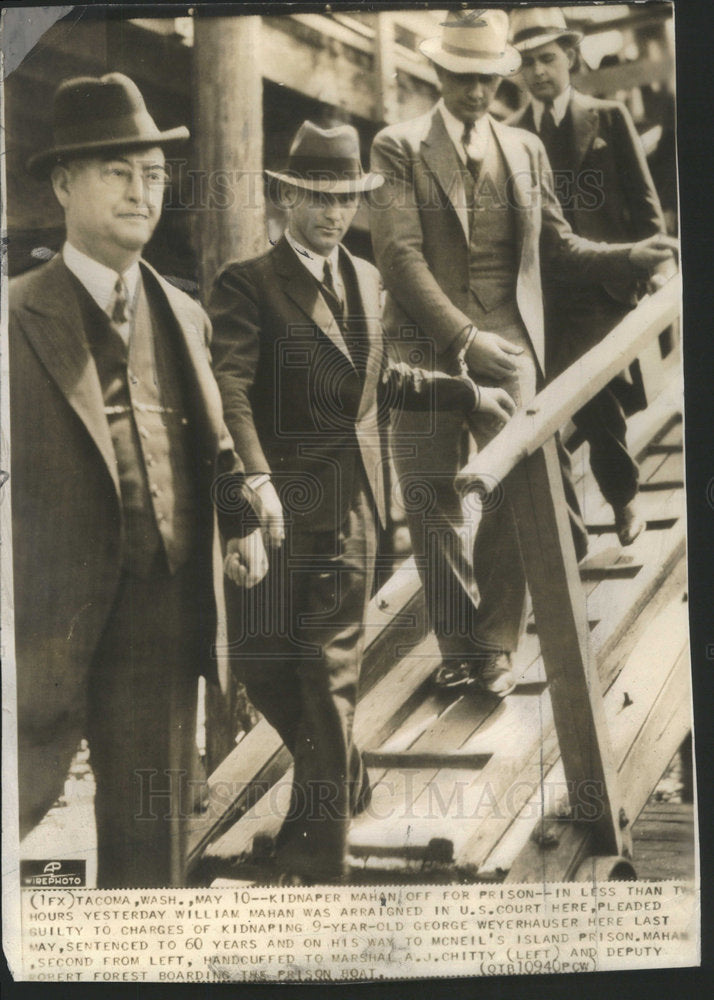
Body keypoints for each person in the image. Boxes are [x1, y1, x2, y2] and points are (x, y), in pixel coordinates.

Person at [209, 121, 515, 884]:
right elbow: (232, 390)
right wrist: (252, 481)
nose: (332, 212)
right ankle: (346, 778)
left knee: (324, 671)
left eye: (346, 198)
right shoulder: (246, 282)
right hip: (278, 509)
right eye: (316, 196)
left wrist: (468, 389)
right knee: (257, 662)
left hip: (351, 516)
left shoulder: (366, 276)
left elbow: (383, 379)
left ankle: (316, 858)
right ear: (284, 196)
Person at [10, 73, 267, 888]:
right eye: (117, 170)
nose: (140, 190)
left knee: (148, 849)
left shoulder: (183, 313)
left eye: (153, 174)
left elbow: (216, 443)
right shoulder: (15, 317)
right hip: (39, 619)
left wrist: (244, 519)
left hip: (161, 612)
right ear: (62, 185)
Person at [369, 9, 675, 692]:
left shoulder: (524, 150)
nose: (476, 90)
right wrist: (462, 338)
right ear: (439, 73)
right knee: (430, 498)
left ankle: (498, 643)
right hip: (424, 347)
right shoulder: (398, 145)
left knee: (511, 488)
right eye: (462, 76)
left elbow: (557, 248)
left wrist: (631, 253)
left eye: (486, 77)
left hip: (509, 343)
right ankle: (456, 645)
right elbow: (398, 254)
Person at [509, 6, 668, 545]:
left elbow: (646, 208)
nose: (538, 72)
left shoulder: (608, 115)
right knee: (545, 415)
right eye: (526, 63)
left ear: (571, 57)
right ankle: (573, 532)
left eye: (548, 59)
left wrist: (652, 271)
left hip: (605, 289)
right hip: (544, 296)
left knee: (598, 403)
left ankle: (621, 501)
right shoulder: (511, 136)